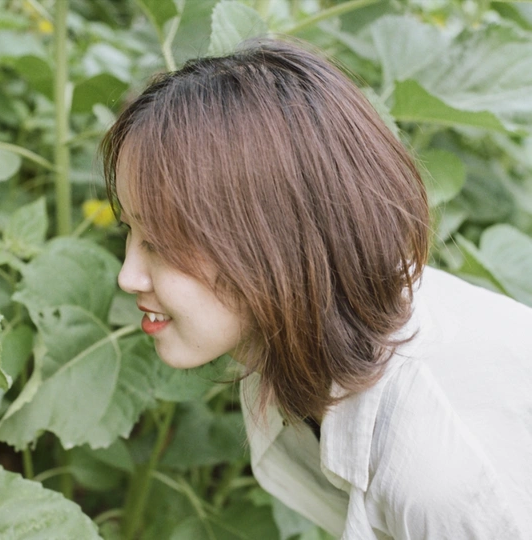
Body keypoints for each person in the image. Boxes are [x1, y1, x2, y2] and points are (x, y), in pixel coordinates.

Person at [101, 38, 532, 539]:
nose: (128, 276)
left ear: (274, 241)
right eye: (129, 230)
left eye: (159, 242)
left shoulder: (438, 470)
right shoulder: (302, 339)